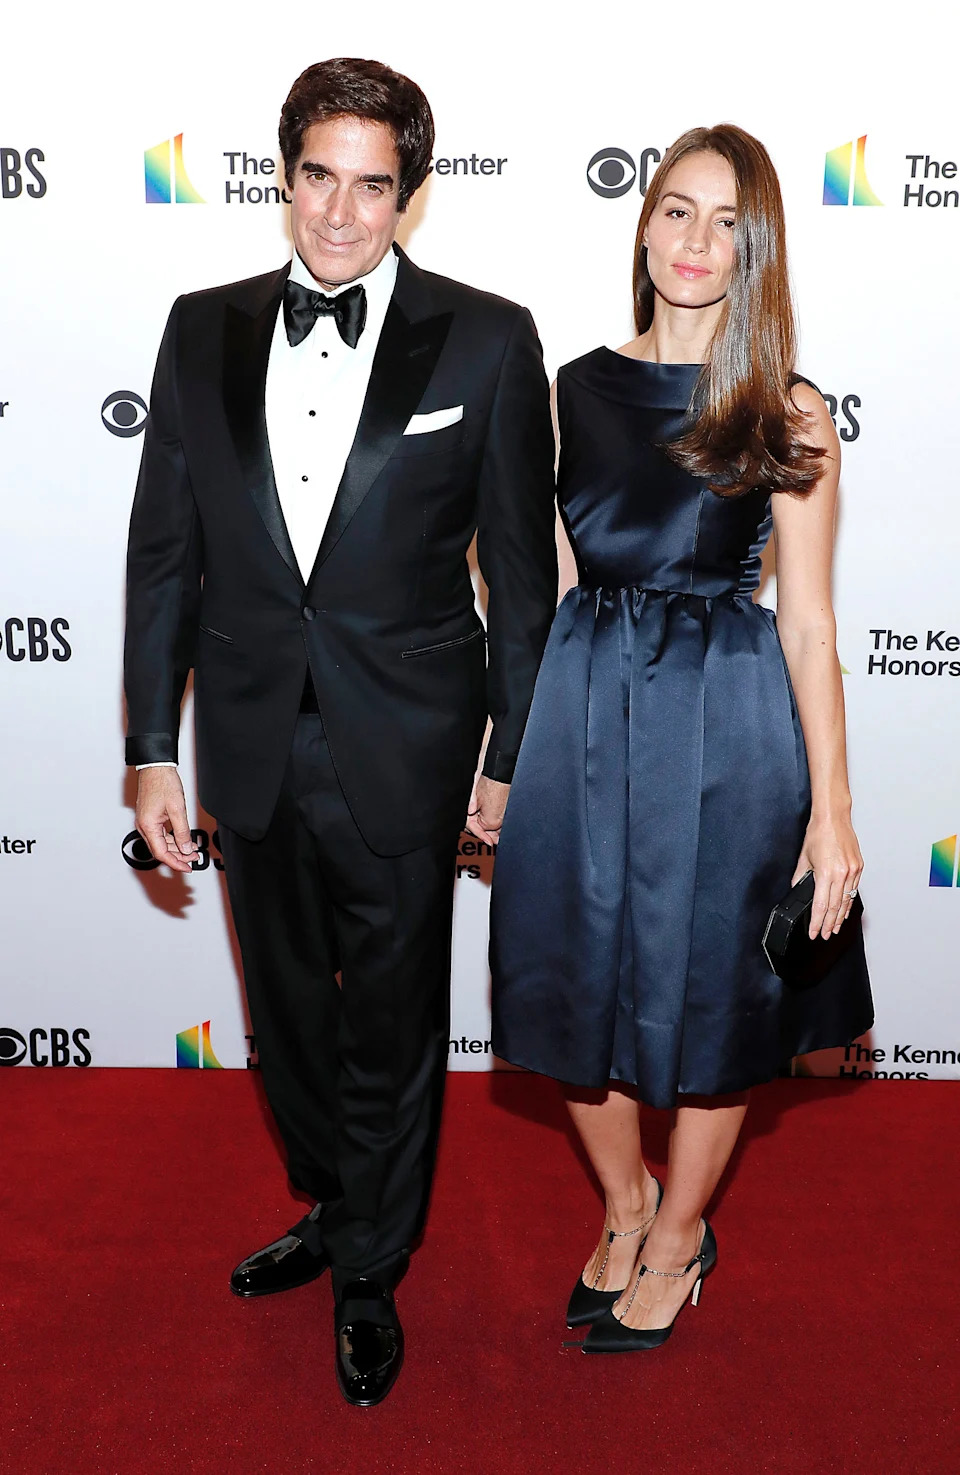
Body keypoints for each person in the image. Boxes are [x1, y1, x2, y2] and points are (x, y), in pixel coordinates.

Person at [124, 57, 556, 1405]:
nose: (339, 212)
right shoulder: (199, 327)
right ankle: (331, 1194)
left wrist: (510, 753)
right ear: (285, 174)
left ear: (409, 195)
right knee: (287, 1014)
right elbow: (163, 554)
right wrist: (151, 748)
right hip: (251, 737)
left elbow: (521, 581)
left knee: (396, 1020)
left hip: (410, 742)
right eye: (319, 176)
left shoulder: (487, 338)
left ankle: (372, 1259)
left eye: (372, 186)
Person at [490, 125, 873, 1354]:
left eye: (727, 223)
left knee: (714, 1004)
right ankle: (624, 1201)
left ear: (756, 251)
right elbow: (548, 577)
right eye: (676, 210)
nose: (696, 241)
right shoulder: (573, 387)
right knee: (570, 981)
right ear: (643, 223)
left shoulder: (788, 409)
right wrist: (507, 740)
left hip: (723, 725)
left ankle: (678, 1234)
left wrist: (833, 811)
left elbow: (808, 621)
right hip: (582, 709)